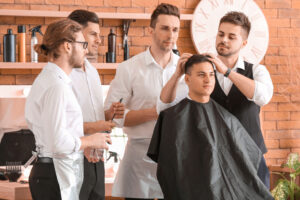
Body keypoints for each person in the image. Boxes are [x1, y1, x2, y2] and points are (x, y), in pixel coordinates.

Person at [158, 11, 273, 188]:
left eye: (231, 36)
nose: (224, 39)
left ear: (243, 43)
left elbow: (263, 97)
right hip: (215, 163)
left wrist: (227, 72)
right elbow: (165, 106)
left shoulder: (257, 71)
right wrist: (177, 75)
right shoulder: (203, 72)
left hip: (252, 159)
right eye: (221, 34)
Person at [147, 54, 273, 200]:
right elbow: (169, 168)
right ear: (187, 79)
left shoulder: (227, 118)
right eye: (201, 75)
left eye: (211, 75)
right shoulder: (172, 117)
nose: (207, 80)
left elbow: (247, 158)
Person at [25, 19, 112, 200]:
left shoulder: (52, 80)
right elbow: (57, 141)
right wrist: (89, 142)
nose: (86, 50)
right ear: (67, 46)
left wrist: (80, 148)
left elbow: (57, 135)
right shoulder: (57, 86)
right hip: (53, 175)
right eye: (83, 44)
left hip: (53, 171)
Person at [104, 3, 181, 200]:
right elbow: (112, 116)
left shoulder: (186, 69)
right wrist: (156, 112)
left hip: (177, 159)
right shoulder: (129, 68)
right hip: (139, 160)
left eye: (175, 29)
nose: (170, 35)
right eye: (164, 28)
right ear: (151, 30)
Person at [68, 10, 125, 200]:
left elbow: (93, 115)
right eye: (93, 34)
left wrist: (108, 114)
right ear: (75, 34)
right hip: (74, 158)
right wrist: (96, 127)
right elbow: (61, 125)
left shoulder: (92, 71)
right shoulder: (63, 74)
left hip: (97, 159)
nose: (99, 40)